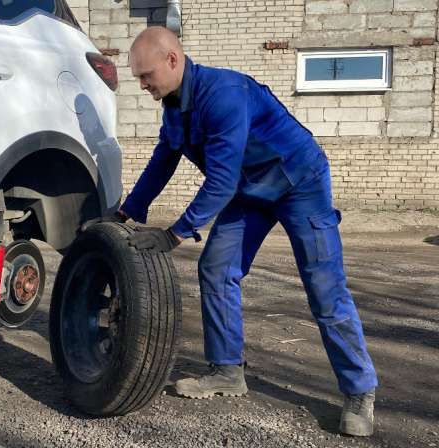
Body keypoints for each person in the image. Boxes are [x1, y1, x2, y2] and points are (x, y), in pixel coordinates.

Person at [111, 26, 378, 437]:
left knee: (325, 288)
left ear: (172, 60)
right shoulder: (173, 108)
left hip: (298, 181)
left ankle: (360, 391)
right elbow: (163, 161)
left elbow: (219, 180)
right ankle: (227, 371)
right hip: (249, 190)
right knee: (216, 270)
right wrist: (126, 212)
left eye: (146, 76)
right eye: (138, 78)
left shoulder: (224, 95)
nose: (143, 85)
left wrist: (175, 234)